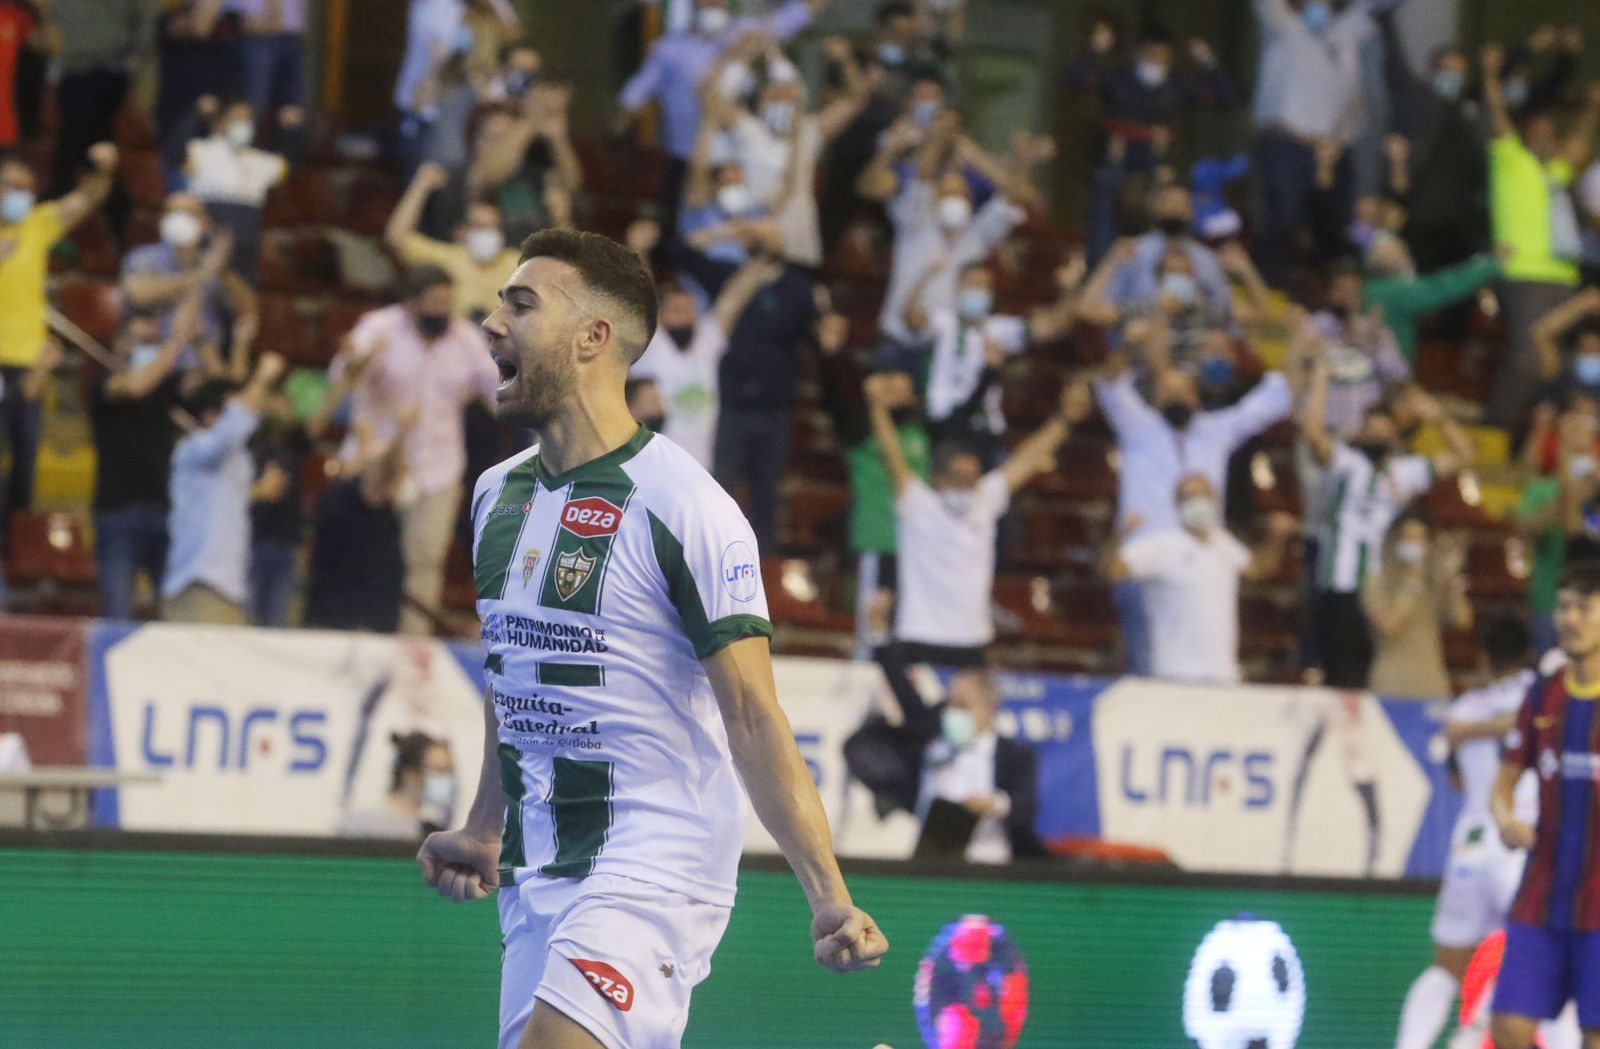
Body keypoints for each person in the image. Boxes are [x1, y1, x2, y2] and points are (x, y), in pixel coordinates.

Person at [417, 229, 887, 1049]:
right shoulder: (496, 495)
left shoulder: (685, 505)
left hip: (653, 861)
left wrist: (828, 895)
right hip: (536, 872)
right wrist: (486, 823)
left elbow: (753, 716)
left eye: (520, 304)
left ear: (595, 337)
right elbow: (515, 677)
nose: (492, 324)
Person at [1394, 616, 1583, 1049]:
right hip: (1522, 843)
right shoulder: (1545, 696)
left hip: (1472, 847)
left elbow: (1457, 779)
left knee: (1446, 965)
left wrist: (1468, 732)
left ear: (1482, 659)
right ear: (1530, 657)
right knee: (1554, 967)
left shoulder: (1465, 708)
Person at [1094, 335, 1293, 673]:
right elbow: (1108, 382)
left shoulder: (1215, 431)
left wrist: (1299, 353)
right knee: (1150, 660)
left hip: (1205, 556)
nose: (1177, 398)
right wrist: (1130, 346)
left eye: (1183, 392)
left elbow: (1268, 403)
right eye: (1168, 392)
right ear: (1155, 399)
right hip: (1144, 564)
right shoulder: (1139, 428)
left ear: (1197, 399)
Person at [867, 374, 1089, 666]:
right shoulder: (918, 504)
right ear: (938, 478)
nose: (967, 486)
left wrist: (1064, 420)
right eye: (958, 478)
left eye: (972, 478)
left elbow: (1027, 458)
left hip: (972, 640)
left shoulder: (985, 499)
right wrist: (877, 408)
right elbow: (891, 455)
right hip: (920, 637)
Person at [328, 265, 499, 635]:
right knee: (366, 557)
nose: (442, 311)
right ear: (410, 303)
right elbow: (340, 383)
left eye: (447, 303)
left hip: (438, 469)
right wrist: (357, 365)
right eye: (434, 303)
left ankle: (412, 647)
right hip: (376, 464)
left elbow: (497, 393)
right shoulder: (378, 328)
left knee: (424, 560)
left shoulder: (465, 338)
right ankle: (359, 636)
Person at [669, 223, 847, 553]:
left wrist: (830, 333)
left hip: (773, 410)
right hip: (727, 407)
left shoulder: (799, 288)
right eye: (758, 231)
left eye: (772, 231)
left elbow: (821, 342)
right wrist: (723, 232)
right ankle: (706, 558)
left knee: (766, 495)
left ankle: (763, 573)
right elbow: (678, 251)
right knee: (716, 489)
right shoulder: (727, 275)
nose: (764, 237)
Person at [1300, 358, 1472, 689]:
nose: (1376, 434)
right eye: (1369, 428)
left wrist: (1439, 418)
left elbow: (1463, 455)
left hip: (1382, 587)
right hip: (1341, 584)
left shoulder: (1404, 472)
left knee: (1374, 674)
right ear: (1360, 432)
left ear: (1395, 434)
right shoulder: (1344, 464)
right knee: (1340, 677)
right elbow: (1312, 435)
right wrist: (1321, 378)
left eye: (1383, 428)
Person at [1488, 561, 1600, 1049]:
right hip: (1542, 893)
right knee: (1509, 1026)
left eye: (1584, 607)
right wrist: (1504, 818)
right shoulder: (1543, 694)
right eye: (1563, 606)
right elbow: (1505, 780)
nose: (1569, 619)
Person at [615, 0, 825, 237]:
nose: (714, 5)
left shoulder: (746, 32)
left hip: (738, 158)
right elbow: (632, 100)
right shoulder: (670, 49)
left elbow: (795, 15)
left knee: (744, 233)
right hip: (686, 157)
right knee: (682, 234)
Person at [0, 142, 117, 545]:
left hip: (29, 363)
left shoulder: (36, 223)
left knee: (26, 459)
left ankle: (13, 545)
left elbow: (88, 199)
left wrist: (103, 169)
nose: (19, 195)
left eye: (25, 188)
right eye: (11, 186)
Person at [1481, 43, 1600, 430]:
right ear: (1527, 134)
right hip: (1525, 273)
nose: (1547, 137)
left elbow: (1579, 143)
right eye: (1539, 131)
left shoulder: (1558, 173)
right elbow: (1498, 115)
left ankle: (1530, 436)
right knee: (1530, 355)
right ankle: (1495, 430)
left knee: (1556, 365)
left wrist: (1593, 107)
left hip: (1564, 277)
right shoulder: (1512, 161)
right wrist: (1489, 75)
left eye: (1552, 133)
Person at [844, 642, 1044, 864]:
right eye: (950, 703)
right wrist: (881, 640)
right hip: (930, 861)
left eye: (962, 705)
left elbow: (1027, 803)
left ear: (988, 709)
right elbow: (904, 693)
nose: (952, 712)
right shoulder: (932, 736)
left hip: (988, 862)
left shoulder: (1014, 754)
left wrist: (993, 804)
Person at [1106, 474, 1297, 685]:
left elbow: (1258, 570)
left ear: (1215, 500)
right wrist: (1120, 535)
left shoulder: (1223, 543)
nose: (1198, 502)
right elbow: (1112, 571)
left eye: (1204, 496)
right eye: (1189, 497)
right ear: (1177, 503)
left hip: (1223, 674)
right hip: (1174, 672)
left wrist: (1276, 538)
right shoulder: (1162, 545)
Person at [902, 258, 1082, 465]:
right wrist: (925, 276)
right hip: (942, 426)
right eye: (973, 284)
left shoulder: (998, 329)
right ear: (958, 287)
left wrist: (1070, 292)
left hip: (985, 428)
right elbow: (910, 319)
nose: (979, 291)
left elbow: (1053, 327)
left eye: (985, 286)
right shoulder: (942, 322)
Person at [161, 351, 286, 625]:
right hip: (199, 582)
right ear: (209, 416)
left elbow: (221, 500)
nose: (247, 409)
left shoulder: (237, 458)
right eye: (233, 407)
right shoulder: (194, 448)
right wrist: (262, 378)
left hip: (231, 587)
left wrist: (257, 492)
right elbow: (230, 431)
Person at [88, 303, 192, 620]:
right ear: (119, 343)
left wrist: (197, 338)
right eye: (139, 340)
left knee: (173, 612)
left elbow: (212, 390)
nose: (147, 348)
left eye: (152, 341)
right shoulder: (103, 382)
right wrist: (177, 341)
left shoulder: (166, 386)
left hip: (162, 511)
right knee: (117, 607)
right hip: (117, 512)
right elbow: (134, 386)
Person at [629, 264, 770, 470]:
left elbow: (733, 301)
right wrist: (641, 249)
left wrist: (759, 261)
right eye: (677, 311)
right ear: (660, 315)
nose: (686, 318)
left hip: (700, 465)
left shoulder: (706, 340)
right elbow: (640, 295)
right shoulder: (651, 344)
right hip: (651, 463)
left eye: (690, 312)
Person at [119, 191, 256, 377]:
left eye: (188, 213)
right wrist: (203, 273)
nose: (179, 219)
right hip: (154, 368)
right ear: (161, 220)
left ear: (205, 223)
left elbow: (248, 312)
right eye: (172, 212)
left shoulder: (217, 265)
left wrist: (223, 270)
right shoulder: (144, 257)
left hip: (204, 369)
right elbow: (138, 292)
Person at [43, 0, 147, 236]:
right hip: (71, 71)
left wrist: (140, 53)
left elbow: (143, 16)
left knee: (83, 140)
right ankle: (114, 206)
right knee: (81, 140)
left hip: (109, 69)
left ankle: (109, 206)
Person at [302, 413, 411, 635]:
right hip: (332, 619)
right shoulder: (340, 500)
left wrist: (400, 437)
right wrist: (367, 448)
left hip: (376, 621)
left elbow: (389, 473)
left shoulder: (390, 515)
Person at [1515, 399, 1600, 656]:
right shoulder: (1541, 489)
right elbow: (1524, 530)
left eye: (1588, 421)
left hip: (1595, 608)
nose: (1579, 429)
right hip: (1549, 603)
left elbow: (1580, 535)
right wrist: (1565, 486)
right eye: (1574, 420)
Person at [387, 162, 522, 322]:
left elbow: (557, 255)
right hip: (457, 341)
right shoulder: (447, 259)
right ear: (462, 233)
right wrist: (421, 185)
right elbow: (397, 239)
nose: (489, 234)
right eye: (480, 227)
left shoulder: (518, 262)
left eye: (494, 228)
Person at [1361, 512, 1474, 699]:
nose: (1414, 545)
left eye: (1420, 540)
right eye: (1408, 538)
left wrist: (1452, 580)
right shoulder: (1376, 583)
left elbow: (1463, 621)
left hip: (1432, 683)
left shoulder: (1434, 584)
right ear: (1393, 541)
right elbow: (1388, 626)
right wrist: (1412, 581)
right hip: (1391, 682)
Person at [184, 96, 288, 285]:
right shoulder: (201, 150)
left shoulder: (262, 160)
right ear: (219, 123)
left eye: (247, 120)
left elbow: (288, 162)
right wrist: (197, 116)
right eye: (235, 119)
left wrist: (289, 130)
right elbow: (173, 152)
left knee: (242, 296)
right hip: (209, 232)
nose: (242, 124)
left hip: (245, 239)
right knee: (203, 286)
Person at [246, 390, 308, 627]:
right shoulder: (249, 441)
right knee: (249, 617)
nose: (277, 409)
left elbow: (316, 424)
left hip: (286, 542)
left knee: (279, 620)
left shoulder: (295, 442)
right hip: (253, 541)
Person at [337, 731, 454, 841]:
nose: (446, 780)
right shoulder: (359, 824)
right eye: (439, 771)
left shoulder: (434, 832)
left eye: (448, 771)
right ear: (410, 774)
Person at [226, 0, 307, 156]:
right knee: (253, 107)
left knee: (291, 110)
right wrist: (239, 22)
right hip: (256, 37)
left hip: (291, 35)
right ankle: (240, 161)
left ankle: (284, 166)